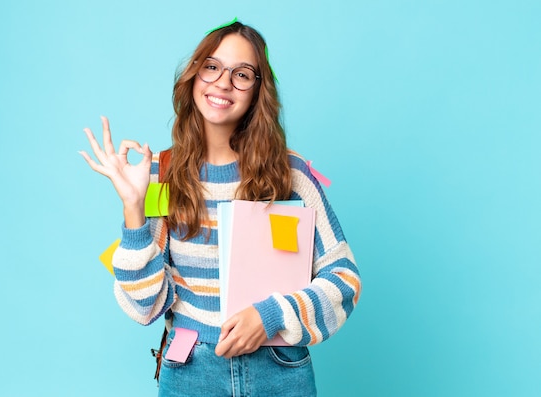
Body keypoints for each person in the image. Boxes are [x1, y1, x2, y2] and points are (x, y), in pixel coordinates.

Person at [80, 20, 361, 397]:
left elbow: (344, 280)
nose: (223, 82)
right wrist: (133, 207)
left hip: (280, 369)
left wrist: (271, 315)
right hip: (190, 370)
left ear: (258, 91)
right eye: (212, 67)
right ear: (194, 76)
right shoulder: (159, 175)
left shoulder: (291, 175)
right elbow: (145, 306)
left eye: (242, 74)